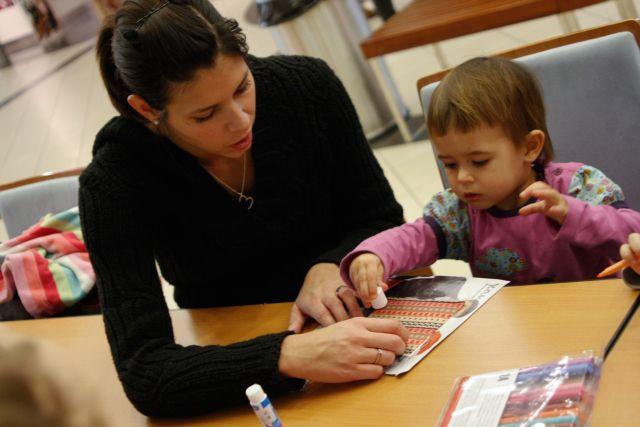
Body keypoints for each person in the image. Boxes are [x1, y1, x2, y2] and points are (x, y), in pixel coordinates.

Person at [81, 0, 409, 418]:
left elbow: (382, 217)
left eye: (242, 87)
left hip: (360, 326)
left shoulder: (306, 88)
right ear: (147, 109)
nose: (240, 121)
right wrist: (289, 355)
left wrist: (332, 262)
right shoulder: (115, 180)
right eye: (205, 115)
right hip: (242, 369)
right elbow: (146, 371)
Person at [339, 57, 640, 305]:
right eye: (450, 164)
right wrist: (373, 254)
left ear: (529, 147)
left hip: (599, 317)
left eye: (479, 162)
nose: (462, 177)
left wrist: (571, 214)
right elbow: (414, 238)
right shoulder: (458, 212)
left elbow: (633, 233)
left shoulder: (579, 186)